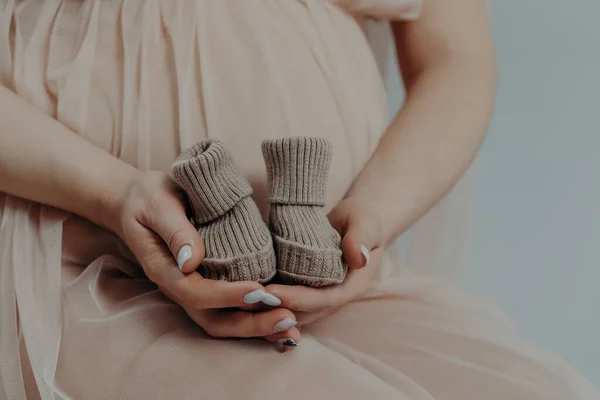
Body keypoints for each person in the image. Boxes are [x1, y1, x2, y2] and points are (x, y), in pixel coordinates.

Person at [0, 0, 597, 399]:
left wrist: (373, 217)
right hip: (68, 269)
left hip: (342, 290)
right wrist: (113, 193)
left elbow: (455, 58)